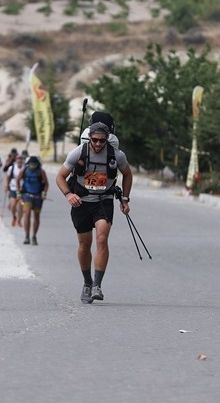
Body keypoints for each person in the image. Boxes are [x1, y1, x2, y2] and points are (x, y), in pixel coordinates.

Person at [55, 118, 133, 304]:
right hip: (81, 202)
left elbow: (128, 174)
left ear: (107, 139)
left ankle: (97, 285)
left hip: (103, 201)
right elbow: (60, 177)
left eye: (102, 141)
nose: (98, 144)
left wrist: (125, 199)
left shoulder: (116, 155)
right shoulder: (78, 153)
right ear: (89, 138)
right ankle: (87, 282)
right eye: (95, 140)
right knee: (84, 244)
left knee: (102, 239)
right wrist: (68, 195)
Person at [18, 154, 48, 245]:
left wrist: (44, 193)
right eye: (31, 164)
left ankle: (34, 236)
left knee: (36, 216)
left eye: (34, 164)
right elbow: (17, 180)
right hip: (27, 195)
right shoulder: (24, 171)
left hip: (38, 197)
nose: (32, 166)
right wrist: (18, 192)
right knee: (26, 214)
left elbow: (46, 184)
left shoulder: (41, 172)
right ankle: (27, 235)